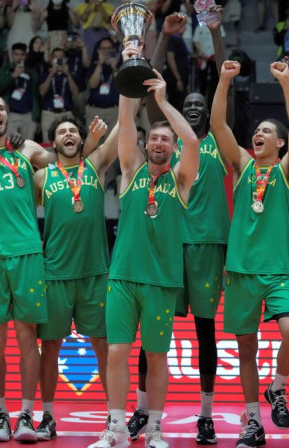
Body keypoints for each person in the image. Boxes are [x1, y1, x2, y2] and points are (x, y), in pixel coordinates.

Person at [88, 43, 200, 448]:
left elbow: (193, 142)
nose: (157, 143)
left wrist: (164, 103)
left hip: (160, 282)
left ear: (169, 149)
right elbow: (123, 115)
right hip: (123, 278)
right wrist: (129, 67)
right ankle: (115, 427)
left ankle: (154, 427)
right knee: (117, 353)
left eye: (162, 140)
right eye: (151, 138)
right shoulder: (131, 171)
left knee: (155, 357)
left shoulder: (181, 181)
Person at [126, 12, 229, 446]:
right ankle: (141, 410)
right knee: (153, 338)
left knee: (206, 332)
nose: (192, 110)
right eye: (186, 107)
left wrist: (216, 31)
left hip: (206, 246)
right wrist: (163, 38)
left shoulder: (220, 141)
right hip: (164, 243)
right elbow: (149, 92)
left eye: (198, 108)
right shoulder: (167, 142)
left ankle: (205, 415)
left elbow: (227, 77)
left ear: (207, 113)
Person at [0, 93, 81, 443]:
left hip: (30, 255)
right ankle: (0, 414)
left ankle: (26, 415)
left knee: (28, 338)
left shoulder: (27, 150)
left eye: (2, 107)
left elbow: (66, 158)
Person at [211, 58, 289, 448]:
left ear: (280, 143)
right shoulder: (243, 166)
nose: (258, 134)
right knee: (245, 350)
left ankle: (278, 388)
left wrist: (285, 83)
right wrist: (223, 80)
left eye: (267, 131)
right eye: (257, 131)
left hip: (277, 272)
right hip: (239, 273)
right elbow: (218, 126)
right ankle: (252, 423)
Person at [32, 114, 118, 440]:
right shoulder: (41, 177)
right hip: (55, 273)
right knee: (50, 345)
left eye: (73, 131)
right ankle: (48, 416)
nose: (68, 135)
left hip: (95, 272)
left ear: (81, 141)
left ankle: (113, 417)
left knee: (104, 345)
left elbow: (122, 126)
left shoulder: (96, 166)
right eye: (61, 132)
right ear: (53, 143)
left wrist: (131, 81)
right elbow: (15, 208)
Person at [0, 42, 39, 139]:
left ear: (26, 55)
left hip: (29, 115)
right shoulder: (4, 70)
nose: (19, 57)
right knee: (9, 146)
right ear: (12, 55)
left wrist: (36, 116)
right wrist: (13, 75)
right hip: (11, 113)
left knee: (28, 148)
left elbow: (37, 95)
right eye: (16, 54)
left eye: (22, 55)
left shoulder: (32, 72)